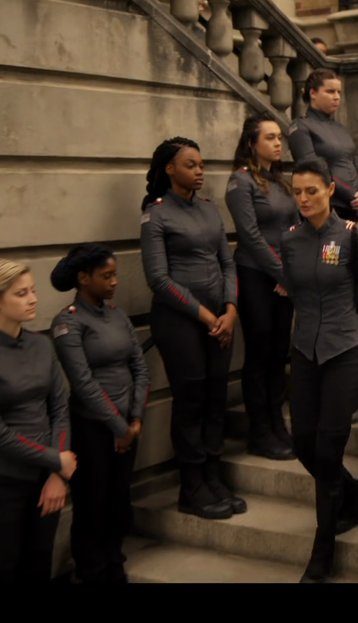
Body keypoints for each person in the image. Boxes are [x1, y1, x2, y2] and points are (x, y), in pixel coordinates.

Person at [282, 159, 358, 582]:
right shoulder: (290, 240)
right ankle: (352, 493)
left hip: (345, 352)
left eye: (312, 190)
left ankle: (322, 554)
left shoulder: (352, 236)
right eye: (297, 192)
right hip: (305, 352)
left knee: (327, 450)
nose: (304, 199)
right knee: (302, 442)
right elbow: (293, 290)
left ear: (329, 190)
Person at [140, 137, 243, 521]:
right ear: (170, 169)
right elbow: (158, 280)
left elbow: (227, 263)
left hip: (220, 320)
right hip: (180, 322)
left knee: (216, 399)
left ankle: (213, 477)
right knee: (192, 401)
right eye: (191, 165)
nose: (199, 171)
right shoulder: (156, 214)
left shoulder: (209, 209)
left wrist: (230, 310)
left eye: (201, 165)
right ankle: (192, 485)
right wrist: (206, 316)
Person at [0, 259, 75, 583]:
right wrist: (55, 460)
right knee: (1, 573)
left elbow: (60, 410)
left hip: (46, 480)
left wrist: (57, 475)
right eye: (21, 294)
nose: (33, 299)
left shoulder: (42, 344)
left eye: (33, 290)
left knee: (38, 569)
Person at [49, 245, 150, 585]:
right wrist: (119, 427)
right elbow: (83, 383)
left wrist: (135, 419)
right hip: (92, 429)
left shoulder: (118, 315)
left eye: (115, 275)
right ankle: (91, 572)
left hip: (127, 427)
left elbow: (140, 367)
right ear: (84, 278)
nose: (114, 282)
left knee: (118, 499)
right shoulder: (68, 322)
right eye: (106, 276)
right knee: (92, 503)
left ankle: (114, 565)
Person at [226, 113, 299, 461]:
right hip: (255, 274)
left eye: (279, 137)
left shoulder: (282, 182)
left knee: (279, 352)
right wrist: (282, 274)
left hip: (284, 278)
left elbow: (296, 228)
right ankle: (260, 431)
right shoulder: (241, 182)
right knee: (260, 352)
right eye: (269, 137)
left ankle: (277, 423)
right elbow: (251, 236)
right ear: (251, 144)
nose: (278, 142)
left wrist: (291, 273)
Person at [289, 69, 358, 221]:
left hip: (355, 206)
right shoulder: (301, 126)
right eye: (330, 91)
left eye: (339, 92)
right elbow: (314, 170)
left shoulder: (341, 128)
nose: (336, 97)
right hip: (328, 208)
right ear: (313, 93)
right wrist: (353, 195)